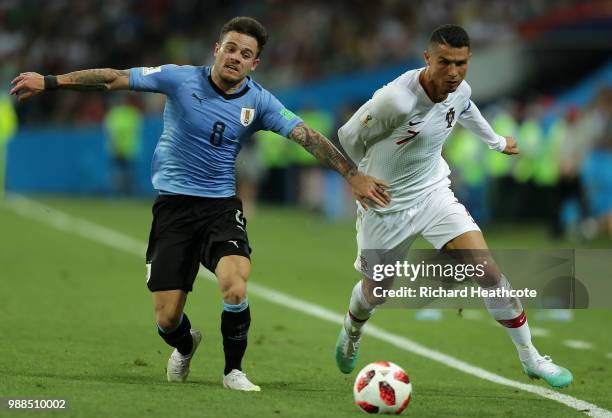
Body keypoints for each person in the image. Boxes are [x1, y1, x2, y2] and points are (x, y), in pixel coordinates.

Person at [11, 16, 390, 391]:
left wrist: (351, 173)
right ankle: (186, 344)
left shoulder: (259, 101)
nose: (236, 57)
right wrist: (49, 82)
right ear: (217, 49)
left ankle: (233, 372)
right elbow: (114, 78)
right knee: (167, 318)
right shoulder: (179, 78)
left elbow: (305, 135)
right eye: (231, 48)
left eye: (246, 54)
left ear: (255, 63)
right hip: (173, 210)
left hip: (220, 209)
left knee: (235, 286)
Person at [335, 24, 572, 388]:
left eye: (461, 63)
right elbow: (347, 136)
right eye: (444, 62)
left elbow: (466, 107)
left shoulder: (459, 89)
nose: (453, 72)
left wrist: (495, 141)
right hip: (385, 205)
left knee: (488, 271)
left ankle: (531, 358)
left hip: (433, 193)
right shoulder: (396, 100)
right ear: (427, 58)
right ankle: (352, 329)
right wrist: (356, 176)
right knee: (375, 292)